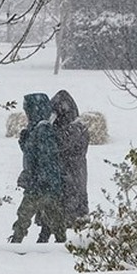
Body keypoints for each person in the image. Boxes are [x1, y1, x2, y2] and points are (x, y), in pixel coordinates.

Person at [10, 93, 66, 243]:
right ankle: (61, 245)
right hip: (43, 183)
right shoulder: (37, 129)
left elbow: (46, 158)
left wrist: (40, 180)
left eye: (27, 109)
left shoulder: (43, 130)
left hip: (41, 184)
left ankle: (15, 245)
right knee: (54, 217)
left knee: (24, 216)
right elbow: (34, 154)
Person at [51, 89, 90, 228]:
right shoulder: (76, 127)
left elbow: (60, 144)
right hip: (71, 175)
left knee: (71, 211)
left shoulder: (75, 129)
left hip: (72, 175)